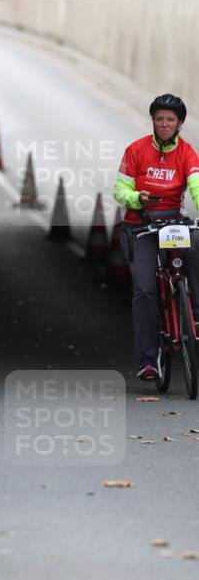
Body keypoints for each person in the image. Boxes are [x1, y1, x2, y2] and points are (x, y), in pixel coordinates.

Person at [114, 94, 199, 380]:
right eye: (159, 119)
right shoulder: (135, 150)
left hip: (173, 224)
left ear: (180, 124)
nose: (164, 124)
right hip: (139, 227)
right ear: (153, 120)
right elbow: (119, 191)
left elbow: (197, 186)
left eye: (170, 120)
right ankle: (149, 359)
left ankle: (194, 315)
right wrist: (137, 197)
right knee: (146, 290)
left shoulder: (187, 153)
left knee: (193, 258)